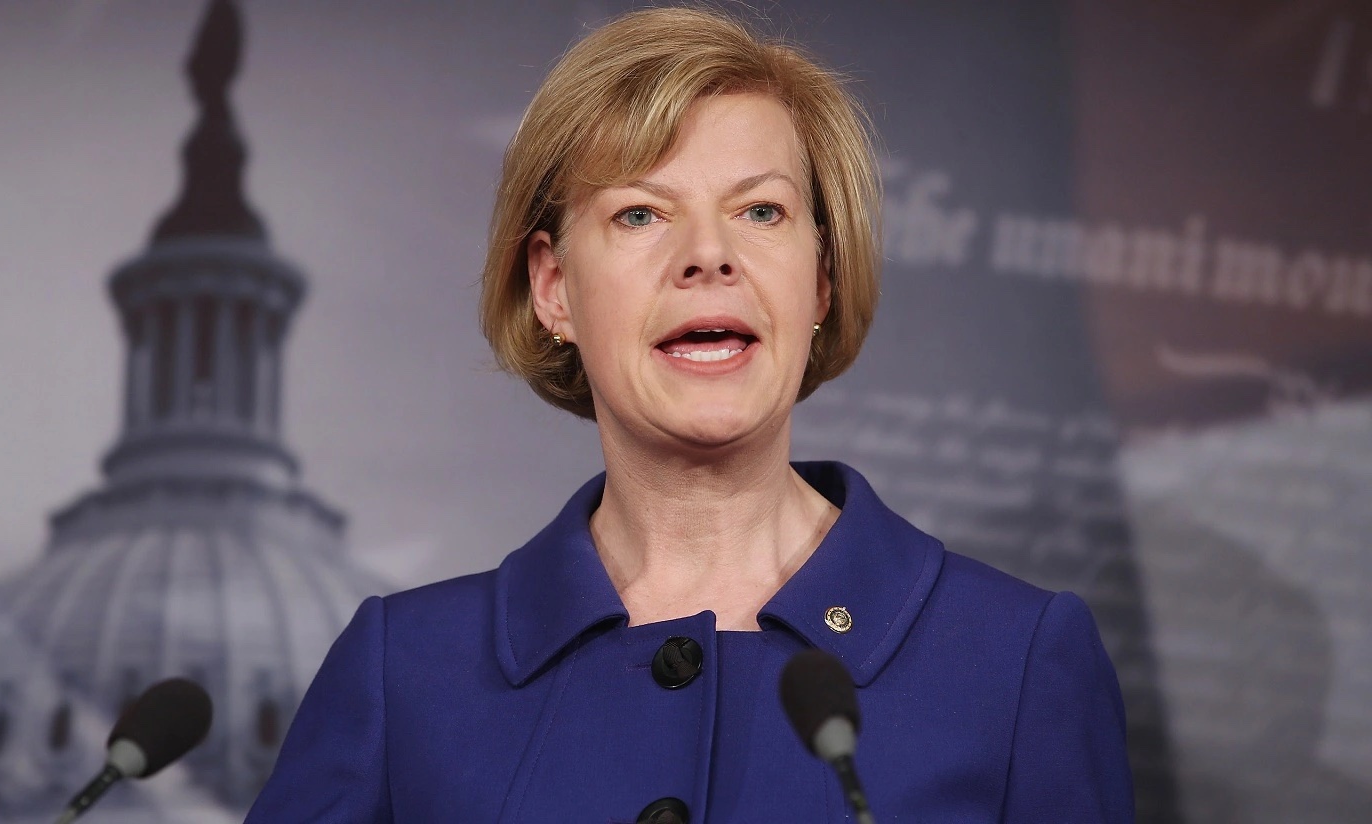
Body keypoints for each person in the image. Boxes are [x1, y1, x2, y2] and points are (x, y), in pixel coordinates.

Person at [246, 7, 1133, 822]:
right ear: (554, 287)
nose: (709, 255)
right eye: (640, 213)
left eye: (761, 211)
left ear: (821, 280)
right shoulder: (404, 675)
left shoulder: (1016, 662)